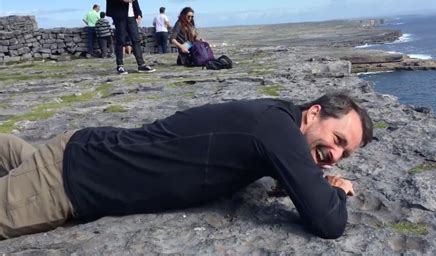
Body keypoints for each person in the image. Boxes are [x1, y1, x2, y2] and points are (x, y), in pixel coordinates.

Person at [0, 93, 373, 240]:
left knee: (25, 161)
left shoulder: (274, 120)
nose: (336, 156)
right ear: (313, 113)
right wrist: (336, 192)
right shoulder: (277, 131)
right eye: (339, 140)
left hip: (80, 151)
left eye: (346, 154)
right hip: (69, 181)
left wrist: (302, 178)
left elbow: (273, 161)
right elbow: (328, 222)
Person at [103, 0, 155, 74]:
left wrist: (138, 12)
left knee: (136, 39)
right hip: (119, 14)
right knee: (121, 40)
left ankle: (141, 65)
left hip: (131, 15)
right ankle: (120, 66)